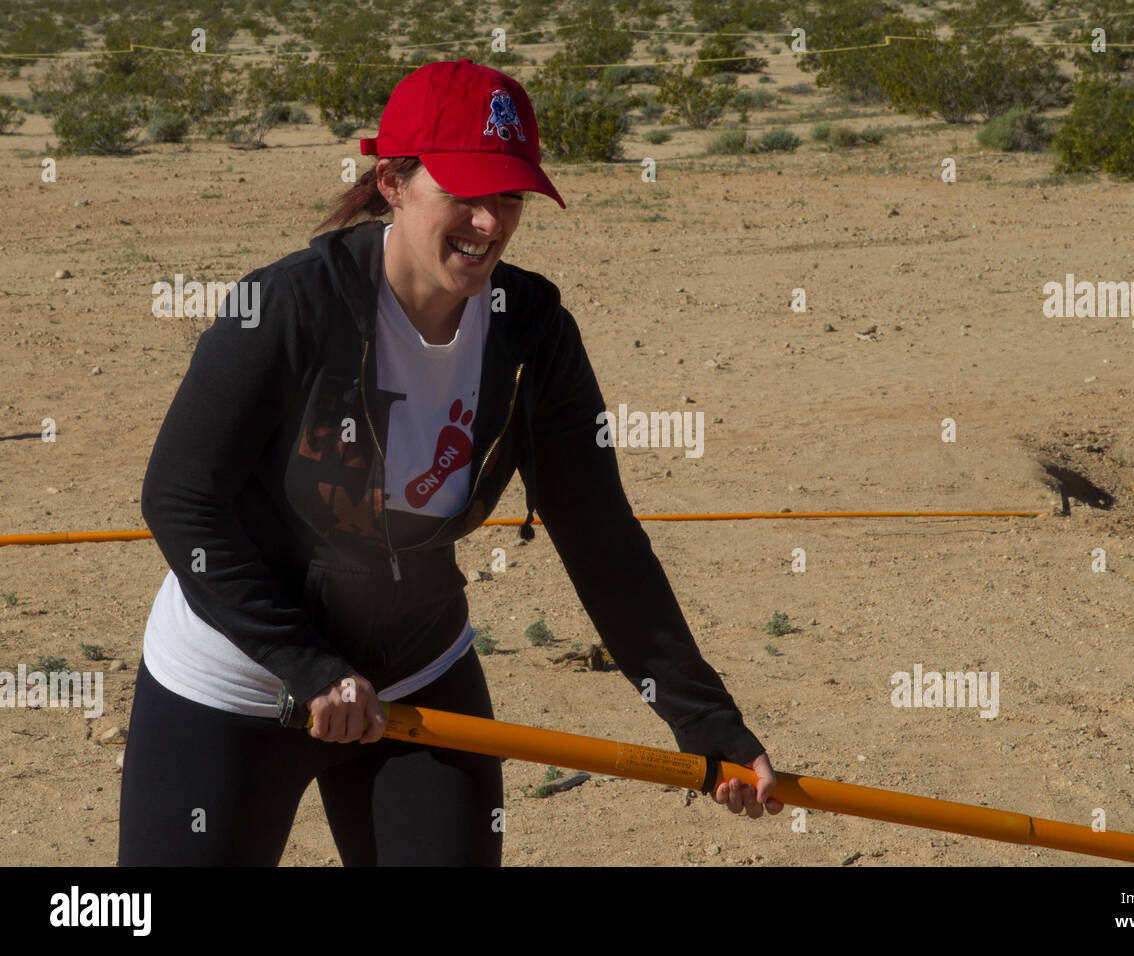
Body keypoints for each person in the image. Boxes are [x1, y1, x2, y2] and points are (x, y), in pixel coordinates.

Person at [118, 59, 781, 867]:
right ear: (394, 181)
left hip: (415, 673)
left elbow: (600, 535)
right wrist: (307, 665)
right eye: (464, 190)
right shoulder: (288, 307)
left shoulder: (531, 329)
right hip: (238, 678)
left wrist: (704, 722)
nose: (489, 222)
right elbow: (180, 499)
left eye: (508, 195)